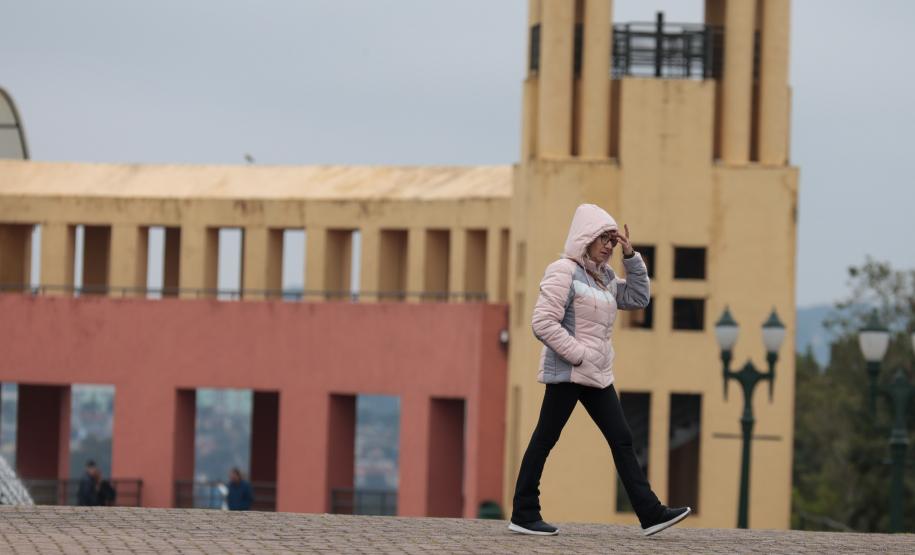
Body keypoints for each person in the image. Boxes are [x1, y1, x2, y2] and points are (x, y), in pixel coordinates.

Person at [508, 204, 691, 537]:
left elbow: (638, 298)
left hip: (596, 375)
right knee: (545, 439)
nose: (609, 245)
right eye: (603, 239)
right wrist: (577, 355)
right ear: (585, 238)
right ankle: (523, 513)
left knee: (622, 439)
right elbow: (542, 322)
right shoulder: (563, 270)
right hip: (568, 372)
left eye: (612, 240)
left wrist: (632, 257)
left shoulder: (605, 277)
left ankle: (650, 513)